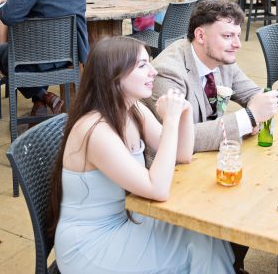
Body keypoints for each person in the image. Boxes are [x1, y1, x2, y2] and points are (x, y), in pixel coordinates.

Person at [50, 37, 236, 273]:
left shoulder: (133, 109)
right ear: (114, 76)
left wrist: (184, 112)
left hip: (127, 221)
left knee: (207, 232)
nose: (153, 71)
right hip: (91, 246)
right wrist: (170, 121)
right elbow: (157, 189)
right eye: (142, 66)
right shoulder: (95, 130)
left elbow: (182, 154)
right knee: (201, 246)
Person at [147, 0, 278, 152]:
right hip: (174, 169)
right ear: (201, 36)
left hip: (212, 158)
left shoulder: (222, 60)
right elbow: (179, 139)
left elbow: (254, 95)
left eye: (238, 36)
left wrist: (259, 112)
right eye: (228, 36)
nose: (237, 44)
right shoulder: (168, 71)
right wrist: (249, 118)